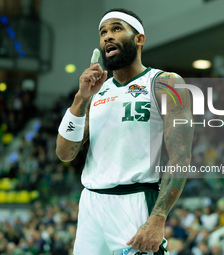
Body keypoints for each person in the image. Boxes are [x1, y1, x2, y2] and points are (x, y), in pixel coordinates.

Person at [56, 8, 194, 255]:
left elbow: (181, 156)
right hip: (91, 204)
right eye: (103, 32)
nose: (107, 36)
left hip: (136, 200)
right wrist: (80, 99)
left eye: (117, 29)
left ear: (139, 39)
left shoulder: (165, 82)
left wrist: (158, 217)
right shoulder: (97, 92)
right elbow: (65, 152)